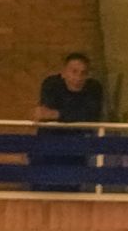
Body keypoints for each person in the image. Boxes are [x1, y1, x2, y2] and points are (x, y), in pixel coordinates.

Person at [31, 53, 104, 190]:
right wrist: (72, 115)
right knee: (42, 189)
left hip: (78, 147)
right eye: (74, 72)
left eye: (83, 73)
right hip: (48, 147)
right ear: (63, 72)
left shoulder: (94, 88)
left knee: (72, 189)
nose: (78, 77)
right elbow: (45, 112)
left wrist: (57, 114)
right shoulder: (51, 84)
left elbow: (91, 115)